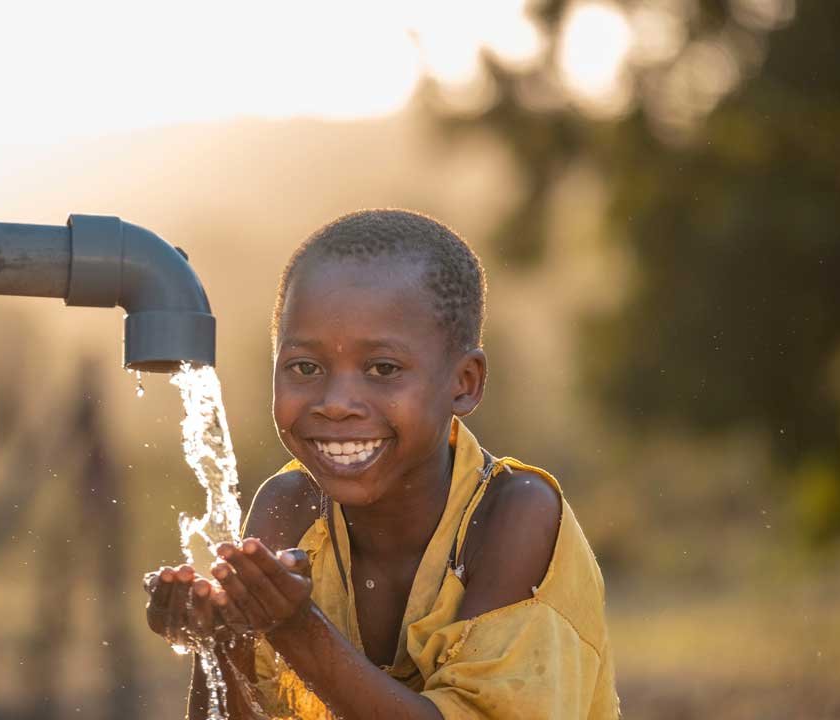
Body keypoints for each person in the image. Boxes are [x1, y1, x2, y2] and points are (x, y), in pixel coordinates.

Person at [144, 209, 620, 719]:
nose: (336, 402)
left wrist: (296, 628)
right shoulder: (289, 511)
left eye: (383, 368)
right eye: (305, 367)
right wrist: (221, 638)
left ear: (465, 382)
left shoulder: (512, 518)